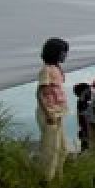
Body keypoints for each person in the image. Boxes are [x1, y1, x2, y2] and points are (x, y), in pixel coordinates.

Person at [35, 38, 70, 180]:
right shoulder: (46, 70)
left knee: (62, 150)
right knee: (50, 151)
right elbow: (39, 93)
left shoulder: (57, 69)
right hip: (49, 113)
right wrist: (48, 113)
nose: (65, 55)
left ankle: (58, 179)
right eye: (63, 52)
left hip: (58, 112)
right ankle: (46, 181)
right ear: (55, 52)